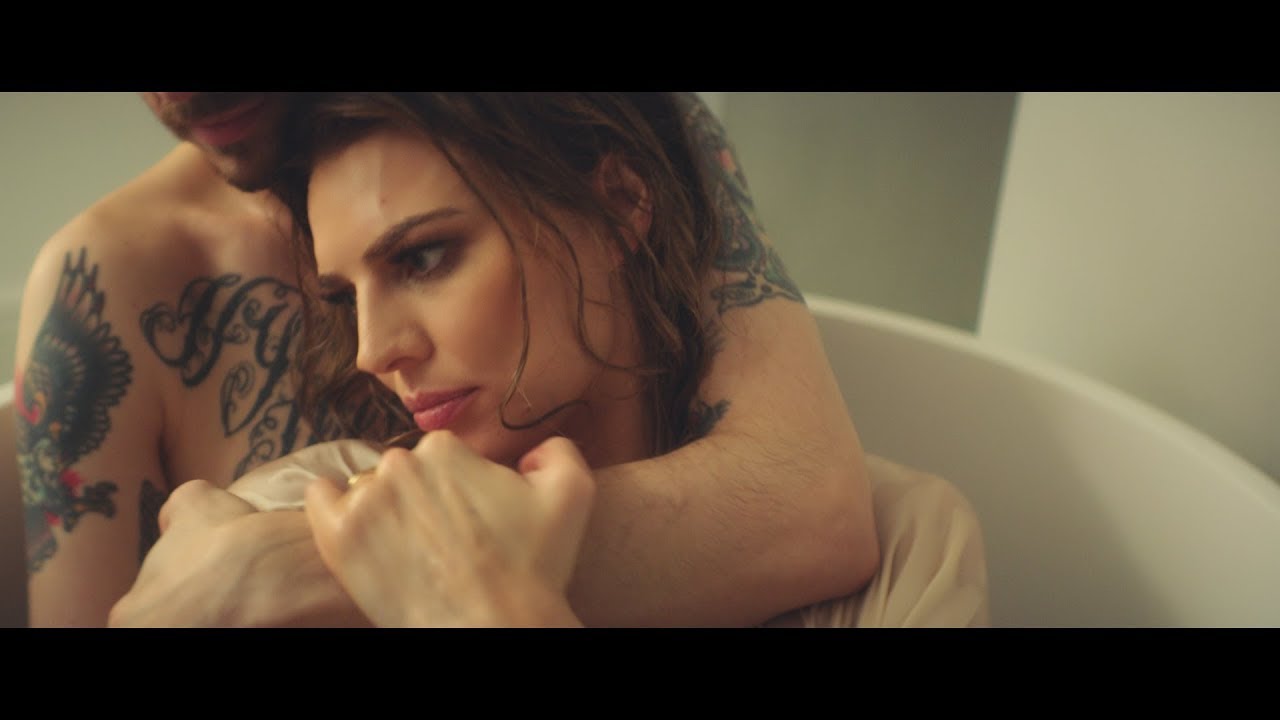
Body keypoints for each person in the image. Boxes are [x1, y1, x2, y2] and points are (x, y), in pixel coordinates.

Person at [17, 92, 878, 628]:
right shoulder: (109, 282)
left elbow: (813, 511)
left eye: (425, 259)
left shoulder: (598, 126)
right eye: (339, 298)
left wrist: (278, 574)